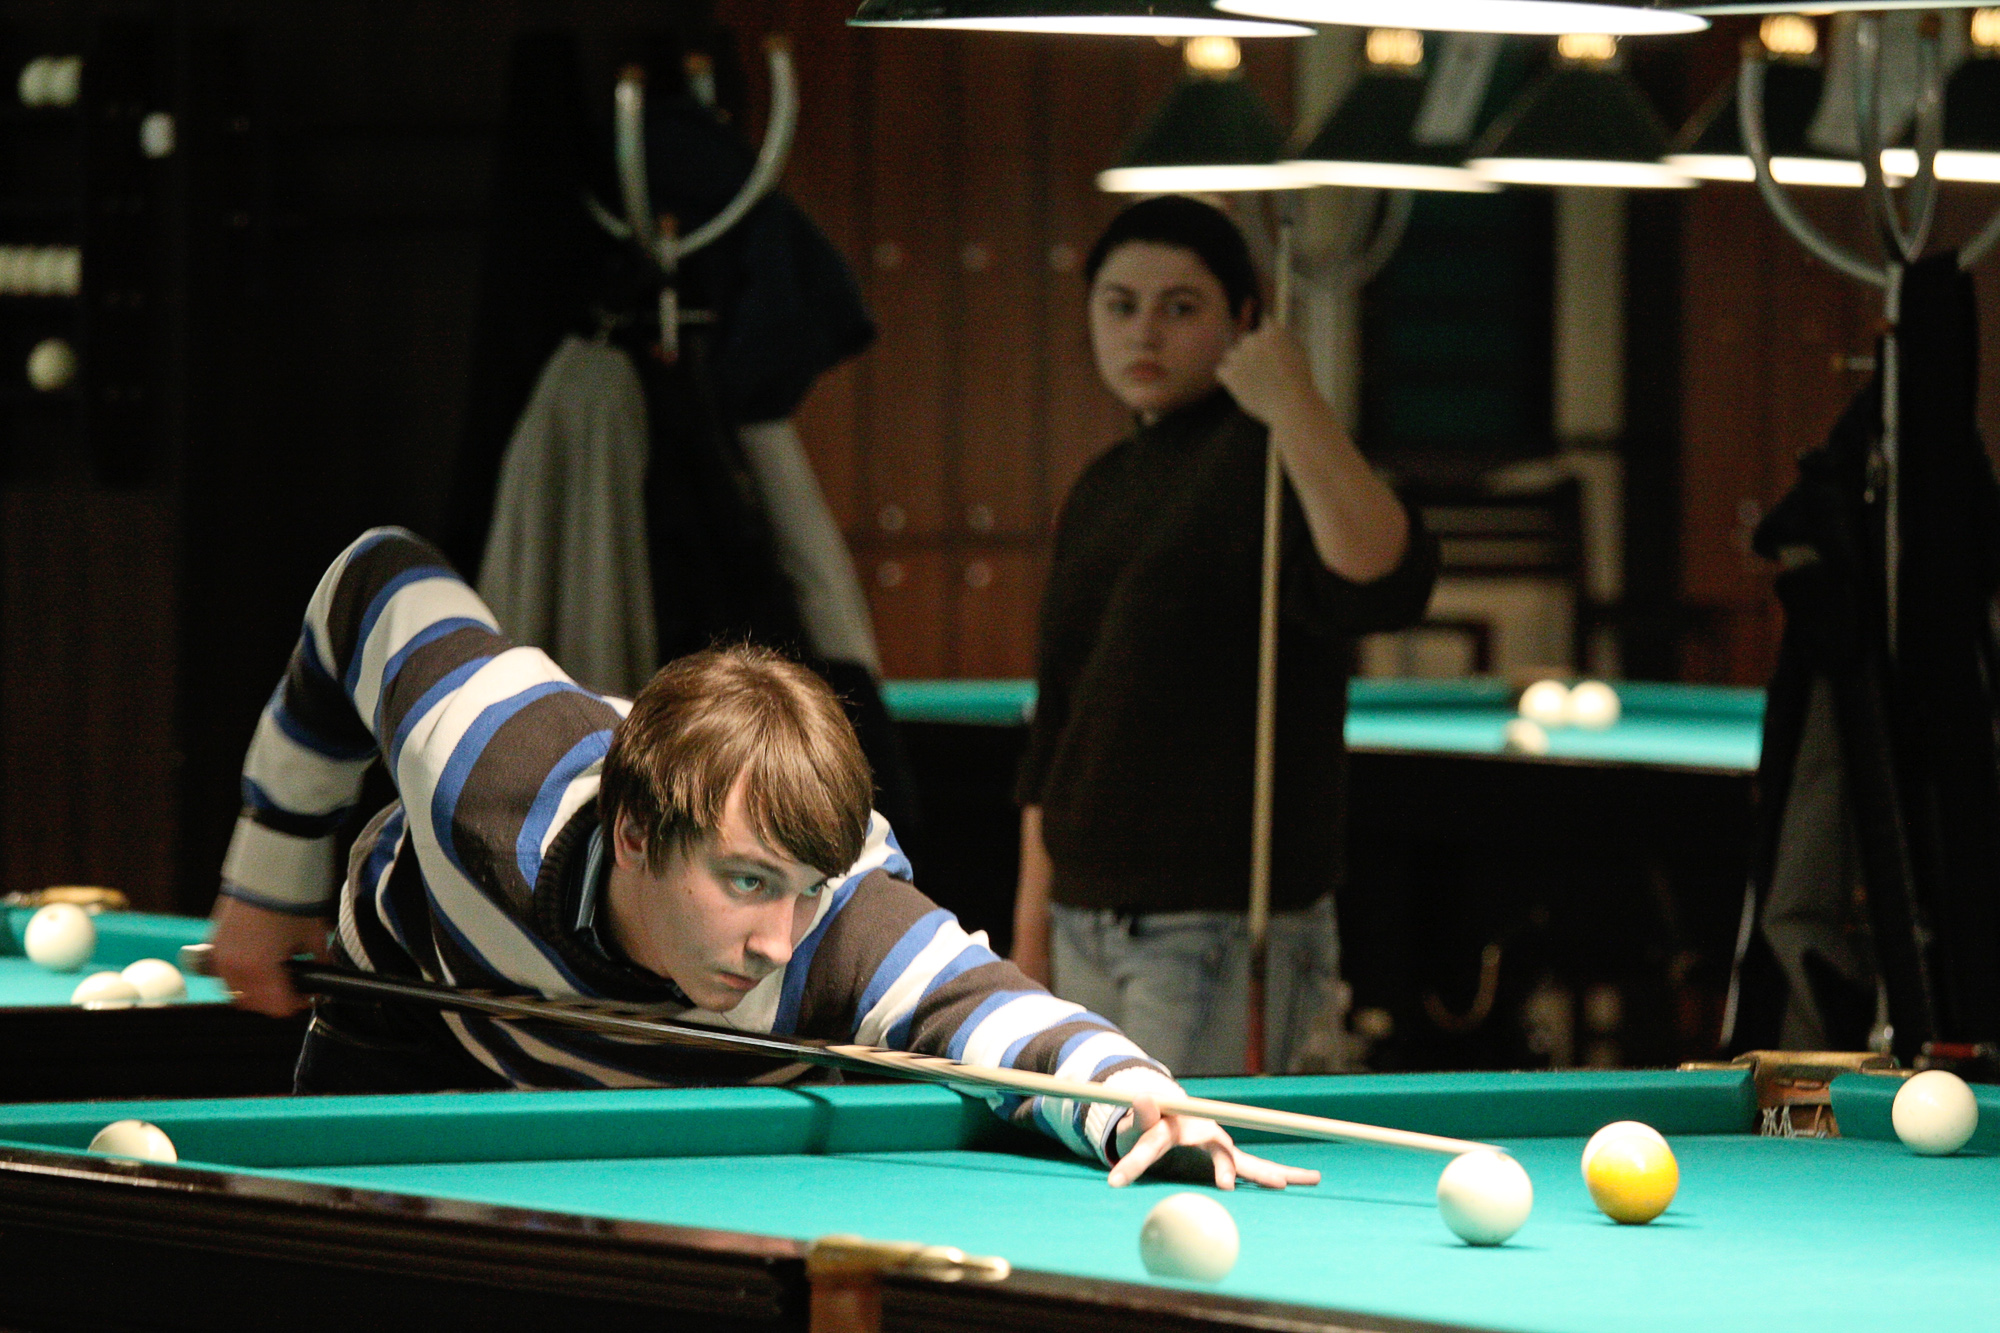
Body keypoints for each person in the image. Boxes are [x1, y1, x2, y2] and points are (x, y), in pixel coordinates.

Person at [209, 526, 1315, 1191]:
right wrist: (269, 875)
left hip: (690, 1137)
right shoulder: (488, 757)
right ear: (634, 835)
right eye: (745, 881)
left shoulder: (843, 930)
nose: (777, 940)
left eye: (802, 889)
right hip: (411, 1012)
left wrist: (1139, 1098)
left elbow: (1009, 1021)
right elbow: (370, 580)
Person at [1011, 195, 1438, 1077]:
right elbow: (1058, 726)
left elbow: (1385, 577)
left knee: (1175, 1159)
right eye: (1120, 305)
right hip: (1082, 916)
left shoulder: (1274, 460)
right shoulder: (1102, 484)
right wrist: (1030, 929)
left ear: (1245, 318)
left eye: (1181, 307)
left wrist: (1295, 403)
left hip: (1215, 927)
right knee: (1093, 1155)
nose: (1144, 333)